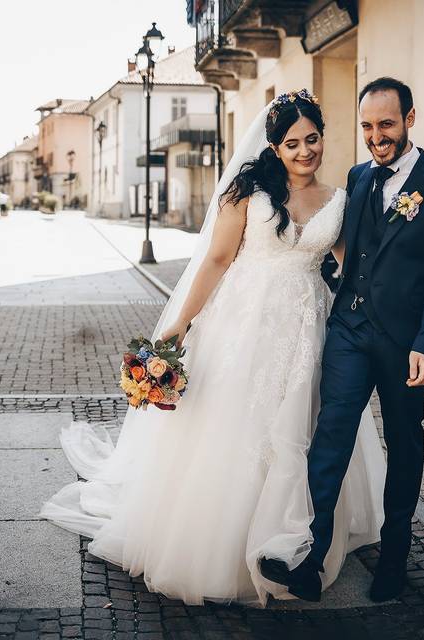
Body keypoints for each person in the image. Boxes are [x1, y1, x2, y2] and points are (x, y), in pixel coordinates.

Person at [40, 90, 386, 606]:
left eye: (312, 139)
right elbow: (216, 262)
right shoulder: (246, 194)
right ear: (273, 146)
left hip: (308, 332)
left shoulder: (339, 199)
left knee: (301, 428)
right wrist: (179, 326)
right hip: (243, 326)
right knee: (236, 428)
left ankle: (291, 543)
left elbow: (350, 265)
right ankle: (222, 545)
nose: (305, 151)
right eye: (291, 143)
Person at [261, 77, 424, 603]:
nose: (376, 135)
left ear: (409, 119)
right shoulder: (358, 178)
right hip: (350, 332)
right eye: (366, 126)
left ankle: (395, 556)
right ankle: (311, 557)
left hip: (407, 346)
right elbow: (347, 253)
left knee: (404, 444)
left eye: (386, 124)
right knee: (330, 434)